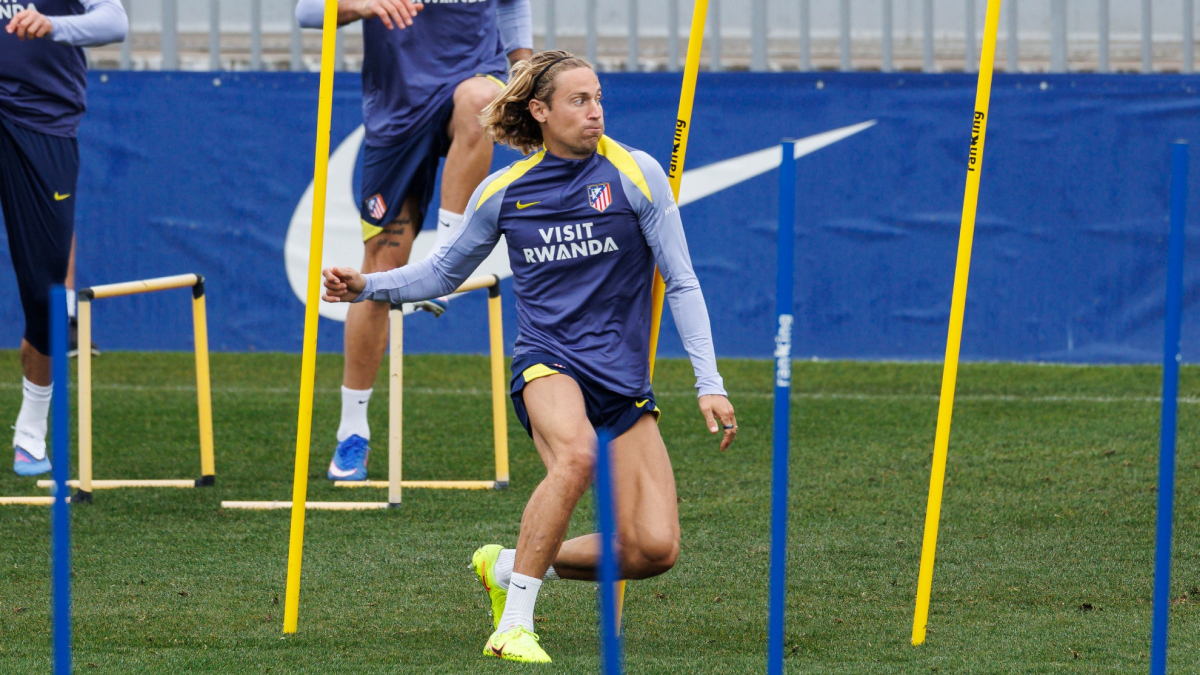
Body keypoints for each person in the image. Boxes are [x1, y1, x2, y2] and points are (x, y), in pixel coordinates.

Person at [321, 50, 739, 664]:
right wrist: (368, 286)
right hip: (548, 361)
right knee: (574, 458)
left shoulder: (637, 172)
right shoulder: (504, 191)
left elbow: (681, 281)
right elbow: (441, 271)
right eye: (579, 100)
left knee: (654, 550)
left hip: (622, 380)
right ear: (539, 111)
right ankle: (514, 624)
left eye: (598, 98)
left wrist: (709, 381)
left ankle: (508, 563)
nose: (596, 111)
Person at [295, 0, 533, 483]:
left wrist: (524, 67)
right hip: (398, 108)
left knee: (479, 99)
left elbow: (511, 5)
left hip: (474, 79)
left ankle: (448, 255)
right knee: (378, 268)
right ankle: (351, 431)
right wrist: (359, 6)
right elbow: (306, 13)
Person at [2, 0, 128, 476]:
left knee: (46, 291)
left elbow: (114, 21)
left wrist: (54, 24)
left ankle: (31, 428)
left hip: (41, 122)